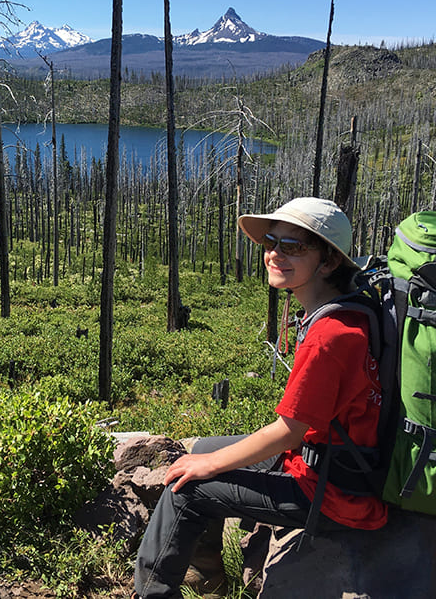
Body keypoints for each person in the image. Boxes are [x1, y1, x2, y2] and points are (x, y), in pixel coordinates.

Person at [133, 197, 388, 599]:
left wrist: (210, 465)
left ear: (329, 261)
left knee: (186, 489)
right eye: (271, 242)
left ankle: (151, 592)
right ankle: (206, 576)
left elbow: (289, 432)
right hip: (335, 461)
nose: (274, 254)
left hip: (331, 491)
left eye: (293, 246)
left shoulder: (331, 335)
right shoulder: (349, 311)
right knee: (199, 449)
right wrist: (207, 457)